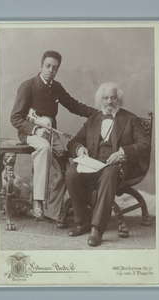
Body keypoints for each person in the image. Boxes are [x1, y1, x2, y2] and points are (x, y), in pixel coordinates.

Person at [10, 50, 97, 223]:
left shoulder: (56, 87)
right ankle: (38, 201)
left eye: (55, 68)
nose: (51, 70)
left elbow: (75, 106)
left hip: (52, 134)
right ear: (41, 65)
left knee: (64, 168)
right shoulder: (27, 86)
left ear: (58, 70)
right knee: (44, 147)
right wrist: (35, 129)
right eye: (48, 66)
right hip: (30, 133)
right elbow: (15, 118)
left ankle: (53, 212)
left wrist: (99, 114)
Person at [66, 82, 151, 246]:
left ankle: (97, 230)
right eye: (105, 98)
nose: (109, 101)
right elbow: (74, 141)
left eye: (113, 97)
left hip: (119, 167)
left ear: (119, 100)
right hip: (93, 164)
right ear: (100, 101)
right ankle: (82, 222)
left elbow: (145, 145)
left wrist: (122, 152)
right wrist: (79, 150)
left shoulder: (130, 119)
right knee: (71, 173)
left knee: (108, 174)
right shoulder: (92, 120)